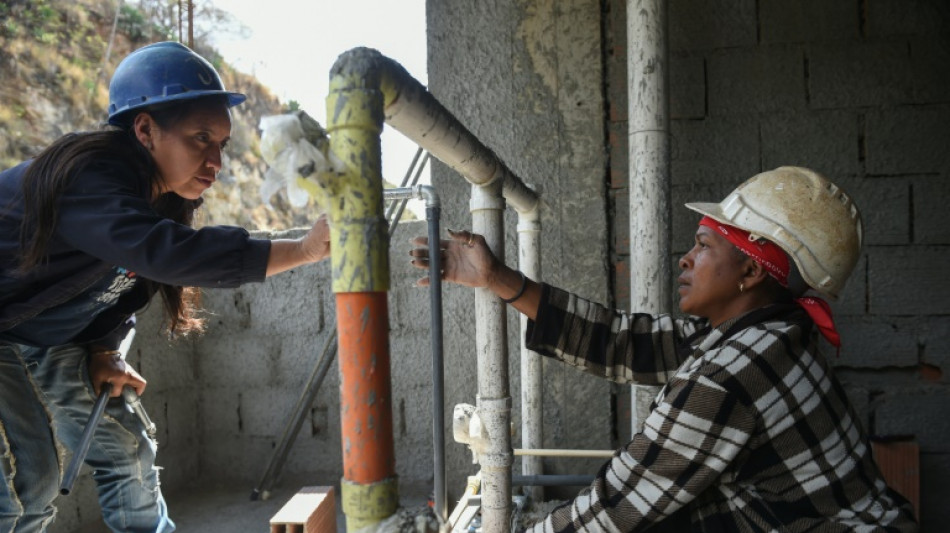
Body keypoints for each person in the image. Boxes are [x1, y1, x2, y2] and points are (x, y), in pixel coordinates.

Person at [410, 166, 917, 532]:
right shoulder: (775, 331)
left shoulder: (727, 376)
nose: (685, 259)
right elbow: (624, 341)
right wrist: (498, 278)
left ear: (752, 271)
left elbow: (618, 506)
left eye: (703, 245)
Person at [0, 41, 330, 532]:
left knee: (126, 444)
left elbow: (126, 286)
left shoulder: (159, 199)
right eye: (201, 138)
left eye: (222, 143)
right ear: (145, 130)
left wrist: (104, 348)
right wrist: (303, 250)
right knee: (30, 483)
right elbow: (168, 253)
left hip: (48, 334)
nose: (216, 161)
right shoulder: (89, 177)